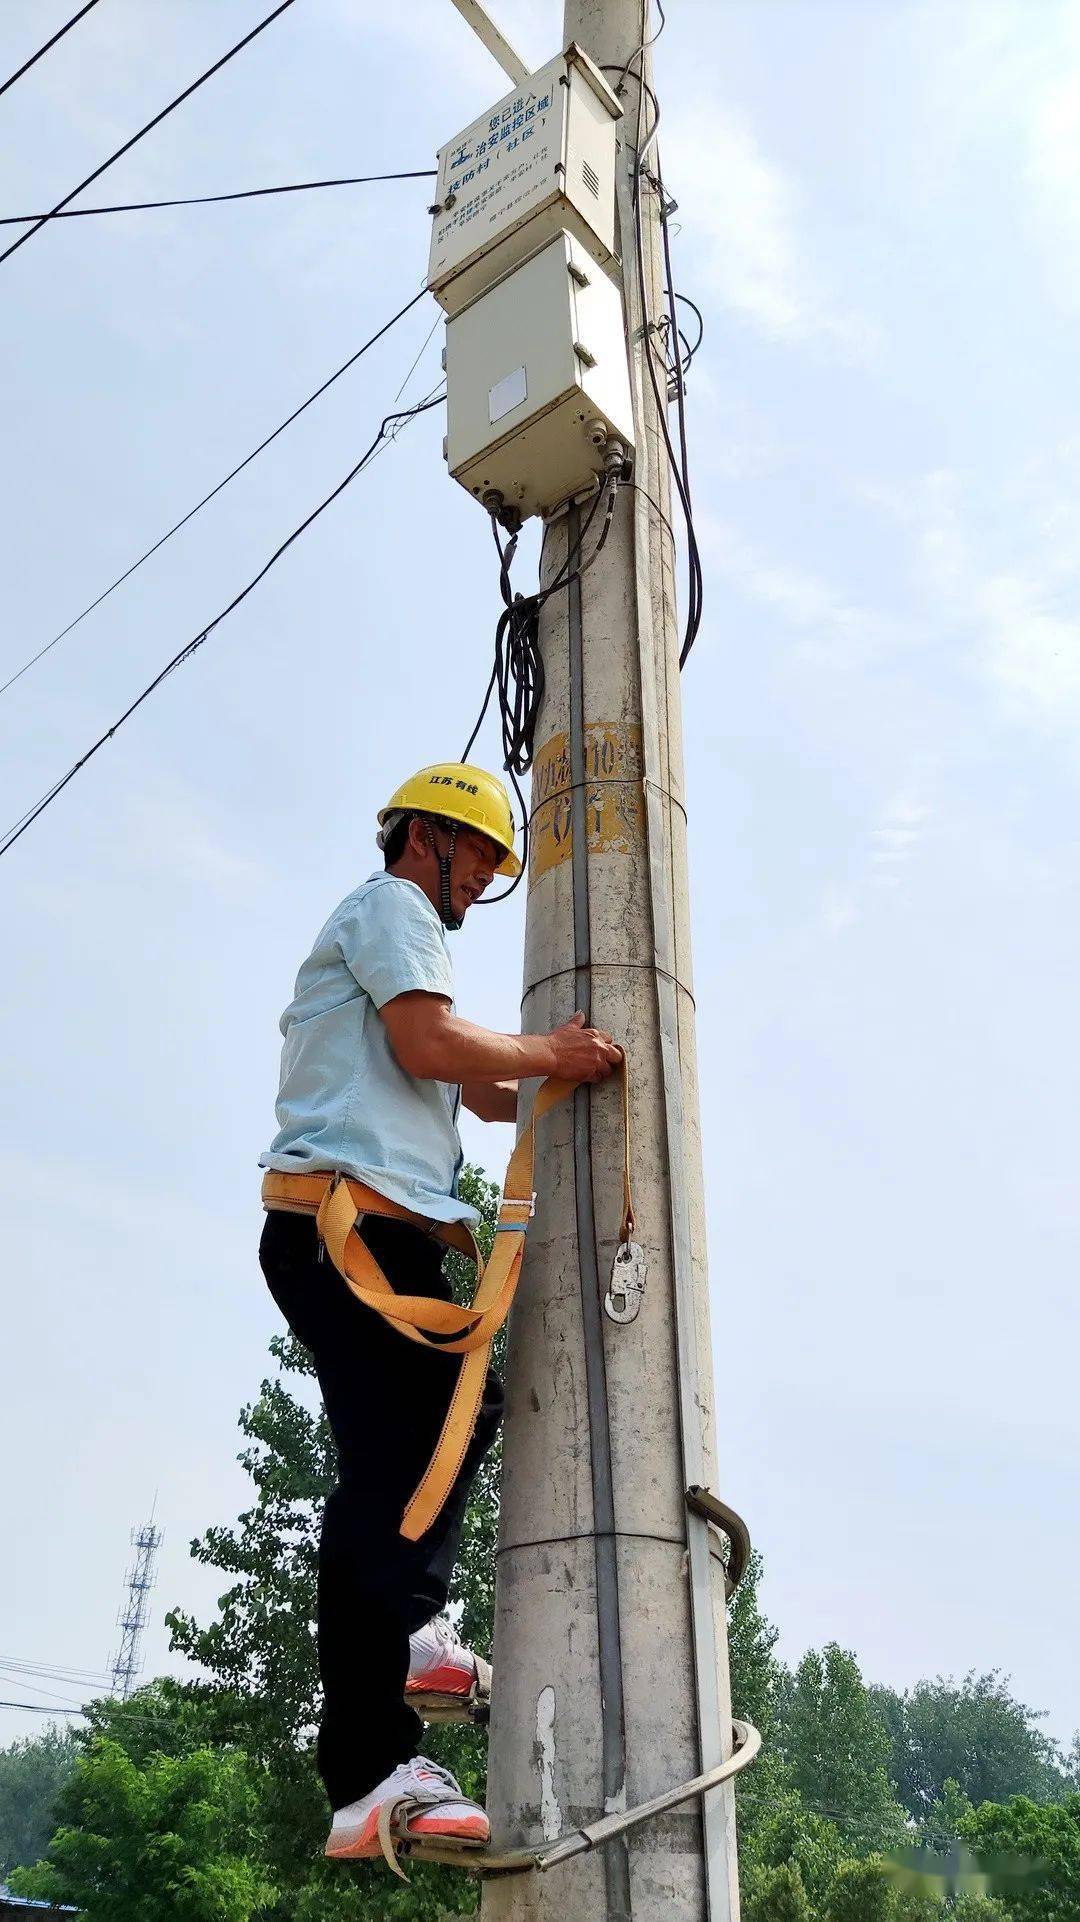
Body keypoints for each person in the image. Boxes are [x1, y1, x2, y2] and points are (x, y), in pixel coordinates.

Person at [258, 763, 622, 1862]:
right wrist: (552, 1052)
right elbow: (433, 1047)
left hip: (368, 1230)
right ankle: (372, 1760)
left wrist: (567, 1073)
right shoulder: (391, 907)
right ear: (426, 838)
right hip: (347, 1223)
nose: (486, 880)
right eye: (482, 856)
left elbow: (470, 1081)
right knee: (413, 1452)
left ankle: (407, 1641)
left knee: (428, 1436)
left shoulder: (406, 936)